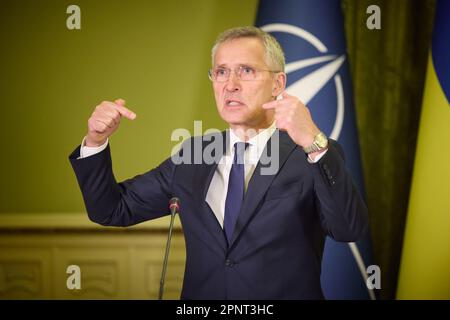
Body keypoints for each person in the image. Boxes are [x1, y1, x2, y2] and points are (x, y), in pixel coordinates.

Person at [69, 26, 368, 299]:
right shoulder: (193, 156)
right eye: (221, 72)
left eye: (246, 71)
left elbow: (348, 229)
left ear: (278, 83)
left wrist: (314, 142)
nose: (231, 85)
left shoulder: (311, 155)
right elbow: (111, 209)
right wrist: (95, 141)